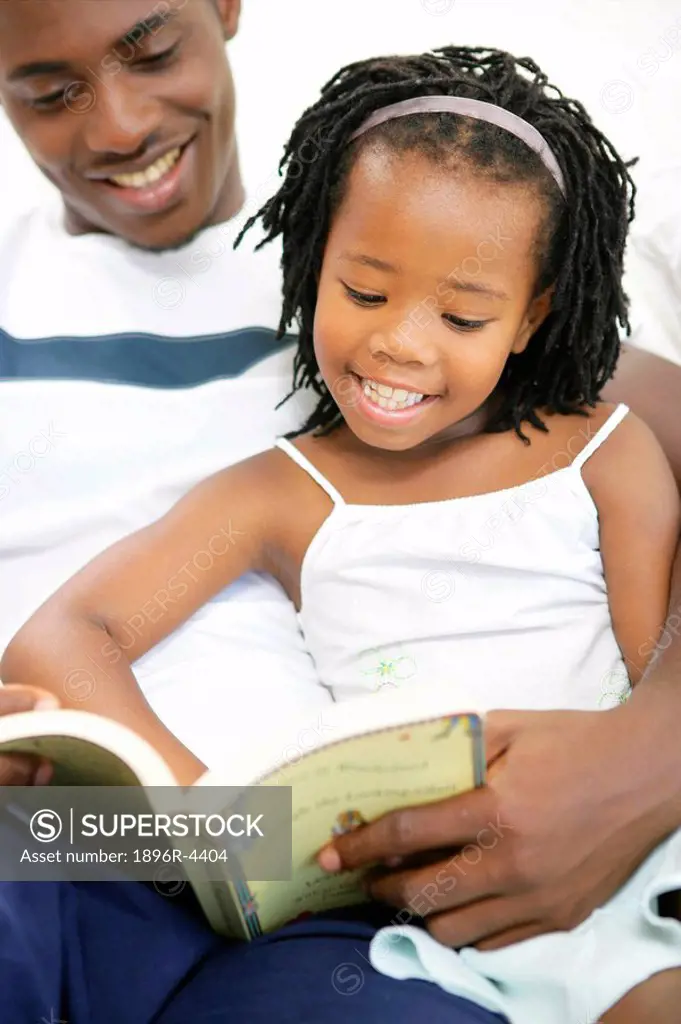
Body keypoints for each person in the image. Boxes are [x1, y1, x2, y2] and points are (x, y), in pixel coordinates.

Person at [4, 41, 681, 1022]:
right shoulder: (285, 489)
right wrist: (208, 817)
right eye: (364, 294)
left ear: (532, 317)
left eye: (463, 314)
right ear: (318, 260)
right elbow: (70, 631)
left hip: (599, 867)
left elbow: (649, 659)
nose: (401, 341)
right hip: (211, 866)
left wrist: (636, 768)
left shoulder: (606, 447)